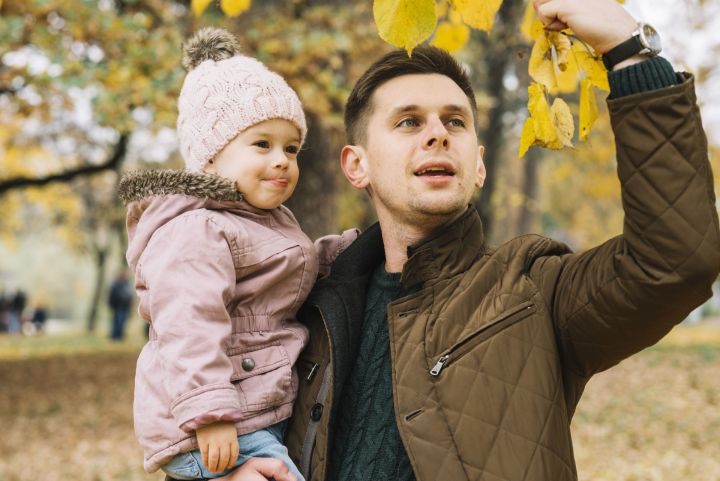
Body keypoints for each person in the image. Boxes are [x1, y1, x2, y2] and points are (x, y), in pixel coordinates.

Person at [213, 0, 720, 480]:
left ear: (477, 164)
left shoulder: (533, 291)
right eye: (409, 121)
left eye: (454, 121)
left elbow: (674, 260)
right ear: (356, 165)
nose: (437, 133)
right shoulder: (303, 303)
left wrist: (627, 51)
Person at [120, 28, 355, 481]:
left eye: (291, 148)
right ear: (209, 159)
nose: (283, 159)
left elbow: (294, 267)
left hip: (248, 412)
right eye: (262, 145)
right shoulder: (196, 228)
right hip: (212, 423)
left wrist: (350, 248)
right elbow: (189, 322)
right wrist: (210, 414)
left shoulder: (260, 220)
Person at [108, 270, 133, 341]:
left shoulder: (126, 284)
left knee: (120, 321)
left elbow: (129, 297)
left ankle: (118, 336)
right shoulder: (116, 284)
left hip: (124, 306)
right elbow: (112, 295)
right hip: (117, 306)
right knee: (117, 321)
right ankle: (115, 336)